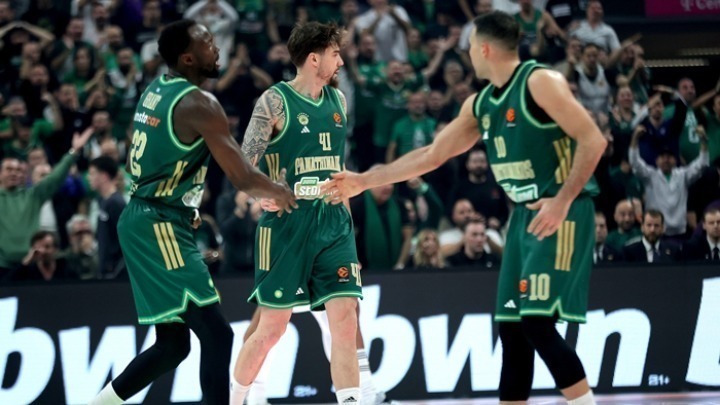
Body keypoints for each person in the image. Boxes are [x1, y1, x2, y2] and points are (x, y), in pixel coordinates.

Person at [323, 11, 607, 404]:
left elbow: (593, 140)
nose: (468, 53)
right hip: (523, 216)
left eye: (471, 46)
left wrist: (562, 201)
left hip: (560, 211)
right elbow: (431, 155)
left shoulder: (540, 82)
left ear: (485, 48)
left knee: (537, 324)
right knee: (512, 329)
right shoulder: (481, 104)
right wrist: (364, 180)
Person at [89, 20, 295, 405]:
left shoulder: (156, 89)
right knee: (217, 334)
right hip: (159, 225)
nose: (217, 48)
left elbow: (150, 156)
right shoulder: (200, 104)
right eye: (208, 43)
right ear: (187, 58)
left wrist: (184, 202)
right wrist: (280, 193)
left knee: (172, 346)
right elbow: (241, 175)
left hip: (148, 216)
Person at [230, 22, 362, 405]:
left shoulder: (338, 102)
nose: (341, 62)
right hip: (287, 223)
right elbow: (243, 163)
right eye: (335, 54)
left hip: (333, 222)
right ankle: (236, 398)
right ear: (314, 58)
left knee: (345, 318)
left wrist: (349, 230)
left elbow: (339, 169)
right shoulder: (275, 101)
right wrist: (261, 193)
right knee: (271, 328)